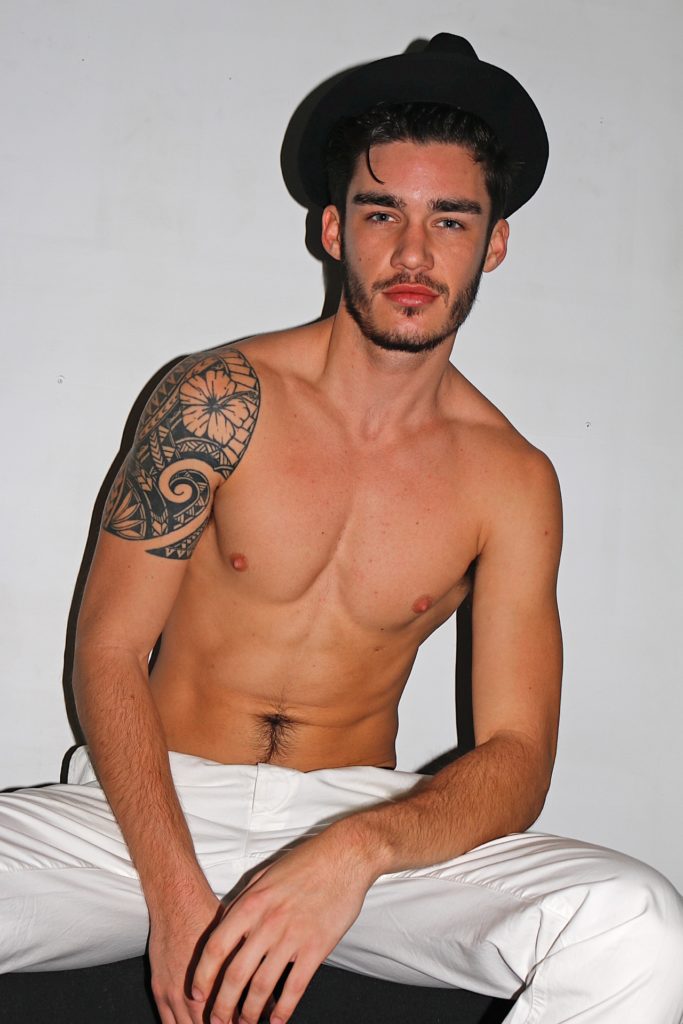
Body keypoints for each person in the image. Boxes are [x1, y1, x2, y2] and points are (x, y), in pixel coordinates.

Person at [1, 32, 682, 1024]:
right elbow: (108, 650)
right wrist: (175, 891)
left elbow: (515, 754)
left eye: (449, 220)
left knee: (633, 923)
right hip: (137, 812)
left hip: (356, 820)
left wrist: (359, 848)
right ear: (333, 230)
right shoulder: (215, 399)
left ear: (492, 244)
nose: (413, 254)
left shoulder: (511, 479)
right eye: (381, 213)